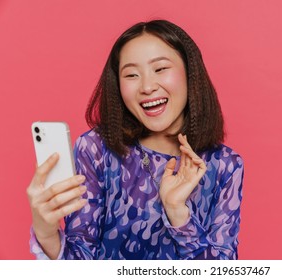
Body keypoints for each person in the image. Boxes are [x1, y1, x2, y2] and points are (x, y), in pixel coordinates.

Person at [27, 19, 244, 260]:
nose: (147, 86)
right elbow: (80, 261)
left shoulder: (225, 164)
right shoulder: (96, 150)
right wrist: (46, 234)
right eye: (131, 74)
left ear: (190, 73)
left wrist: (178, 215)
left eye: (160, 69)